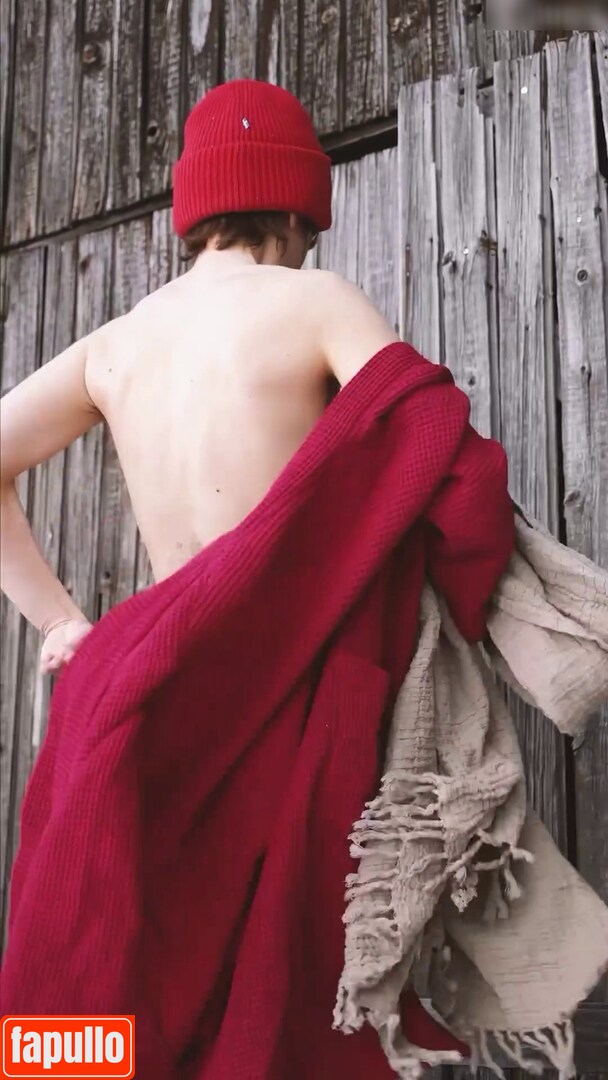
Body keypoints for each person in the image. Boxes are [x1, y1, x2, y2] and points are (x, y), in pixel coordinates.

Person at [0, 78, 399, 676]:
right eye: (312, 236)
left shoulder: (111, 345)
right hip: (294, 667)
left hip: (177, 677)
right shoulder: (320, 300)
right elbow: (426, 437)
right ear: (294, 212)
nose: (306, 253)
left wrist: (58, 621)